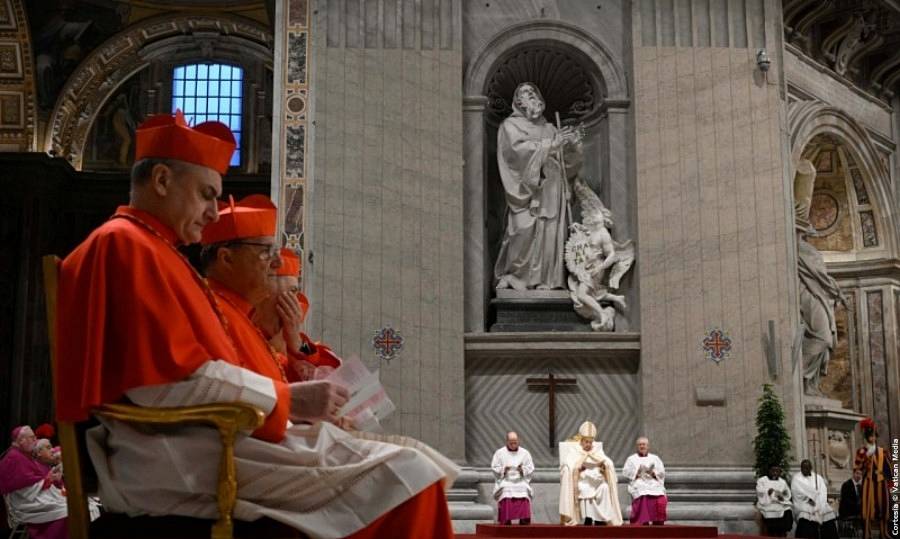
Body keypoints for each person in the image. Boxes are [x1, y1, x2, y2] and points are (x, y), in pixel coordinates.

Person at [57, 111, 459, 539]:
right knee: (409, 475)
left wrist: (287, 399)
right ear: (161, 180)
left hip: (198, 438)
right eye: (206, 195)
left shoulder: (153, 248)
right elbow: (162, 381)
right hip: (175, 452)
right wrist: (286, 400)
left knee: (412, 470)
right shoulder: (126, 244)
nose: (213, 213)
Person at [494, 82, 583, 290]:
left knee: (551, 231)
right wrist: (550, 146)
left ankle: (548, 280)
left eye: (533, 92)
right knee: (522, 230)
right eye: (526, 93)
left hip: (552, 188)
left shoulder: (550, 128)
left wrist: (572, 146)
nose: (532, 95)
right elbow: (514, 153)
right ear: (518, 102)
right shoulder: (510, 126)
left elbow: (568, 165)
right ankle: (515, 276)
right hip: (526, 191)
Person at [252, 247, 337, 382]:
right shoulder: (243, 329)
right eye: (290, 292)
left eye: (294, 291)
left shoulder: (292, 334)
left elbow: (316, 359)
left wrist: (297, 342)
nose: (293, 303)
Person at [0, 426, 68, 539]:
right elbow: (23, 487)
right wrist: (48, 480)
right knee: (65, 510)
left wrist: (49, 479)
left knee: (65, 505)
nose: (35, 440)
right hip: (24, 503)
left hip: (30, 498)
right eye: (32, 437)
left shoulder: (21, 454)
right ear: (21, 440)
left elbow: (31, 480)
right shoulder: (14, 457)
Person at [559, 421, 623, 526]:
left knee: (605, 487)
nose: (589, 444)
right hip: (582, 480)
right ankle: (588, 518)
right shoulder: (575, 451)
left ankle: (600, 519)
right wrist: (578, 469)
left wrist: (604, 466)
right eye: (586, 442)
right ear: (581, 441)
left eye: (590, 442)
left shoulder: (597, 451)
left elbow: (608, 462)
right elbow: (568, 464)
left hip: (596, 480)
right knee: (584, 488)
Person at [853, 418, 891, 539]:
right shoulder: (862, 451)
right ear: (867, 437)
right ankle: (867, 533)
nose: (873, 438)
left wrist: (888, 479)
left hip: (881, 482)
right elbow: (857, 468)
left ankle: (884, 532)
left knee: (883, 508)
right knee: (867, 509)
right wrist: (865, 457)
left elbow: (888, 467)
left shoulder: (883, 451)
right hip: (868, 482)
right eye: (871, 436)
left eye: (874, 436)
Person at [490, 431, 534, 525]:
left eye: (515, 442)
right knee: (506, 488)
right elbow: (494, 467)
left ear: (518, 441)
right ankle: (506, 520)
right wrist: (504, 469)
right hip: (506, 479)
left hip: (520, 479)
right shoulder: (500, 453)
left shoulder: (525, 453)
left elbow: (530, 468)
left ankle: (524, 520)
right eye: (511, 443)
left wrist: (522, 470)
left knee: (524, 488)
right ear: (507, 441)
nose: (513, 445)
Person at [622, 436, 667, 525]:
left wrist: (653, 473)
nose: (642, 446)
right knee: (642, 492)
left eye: (644, 444)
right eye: (640, 445)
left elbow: (662, 472)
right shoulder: (631, 459)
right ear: (637, 446)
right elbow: (625, 472)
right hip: (639, 481)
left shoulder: (655, 458)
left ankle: (657, 521)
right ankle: (643, 521)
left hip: (652, 481)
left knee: (660, 494)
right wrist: (637, 472)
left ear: (648, 446)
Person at [791, 459, 838, 539]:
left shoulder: (818, 478)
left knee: (829, 520)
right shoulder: (796, 478)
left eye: (807, 468)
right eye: (803, 468)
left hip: (820, 503)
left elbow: (823, 491)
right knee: (806, 521)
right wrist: (808, 499)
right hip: (805, 504)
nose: (804, 470)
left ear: (811, 468)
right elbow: (796, 492)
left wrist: (819, 502)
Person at [755, 465, 792, 537]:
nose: (775, 473)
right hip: (767, 504)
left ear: (780, 472)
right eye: (773, 471)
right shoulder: (762, 480)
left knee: (788, 510)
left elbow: (787, 494)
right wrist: (767, 492)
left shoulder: (782, 482)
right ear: (769, 471)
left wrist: (783, 497)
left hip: (779, 504)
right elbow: (759, 491)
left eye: (777, 471)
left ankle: (782, 532)